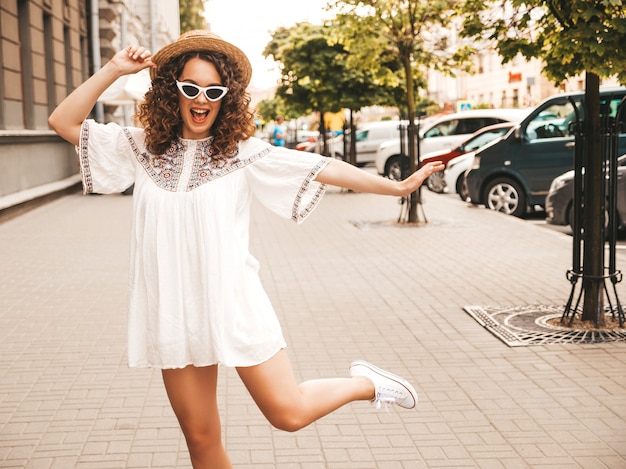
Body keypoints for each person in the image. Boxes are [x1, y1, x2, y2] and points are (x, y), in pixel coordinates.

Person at [48, 30, 444, 469]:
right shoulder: (142, 149)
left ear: (227, 97)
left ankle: (366, 383)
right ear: (171, 91)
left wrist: (394, 187)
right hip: (174, 312)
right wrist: (114, 69)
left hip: (234, 303)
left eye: (214, 90)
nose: (202, 99)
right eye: (191, 87)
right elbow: (63, 122)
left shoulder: (241, 154)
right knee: (200, 439)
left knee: (288, 414)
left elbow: (322, 167)